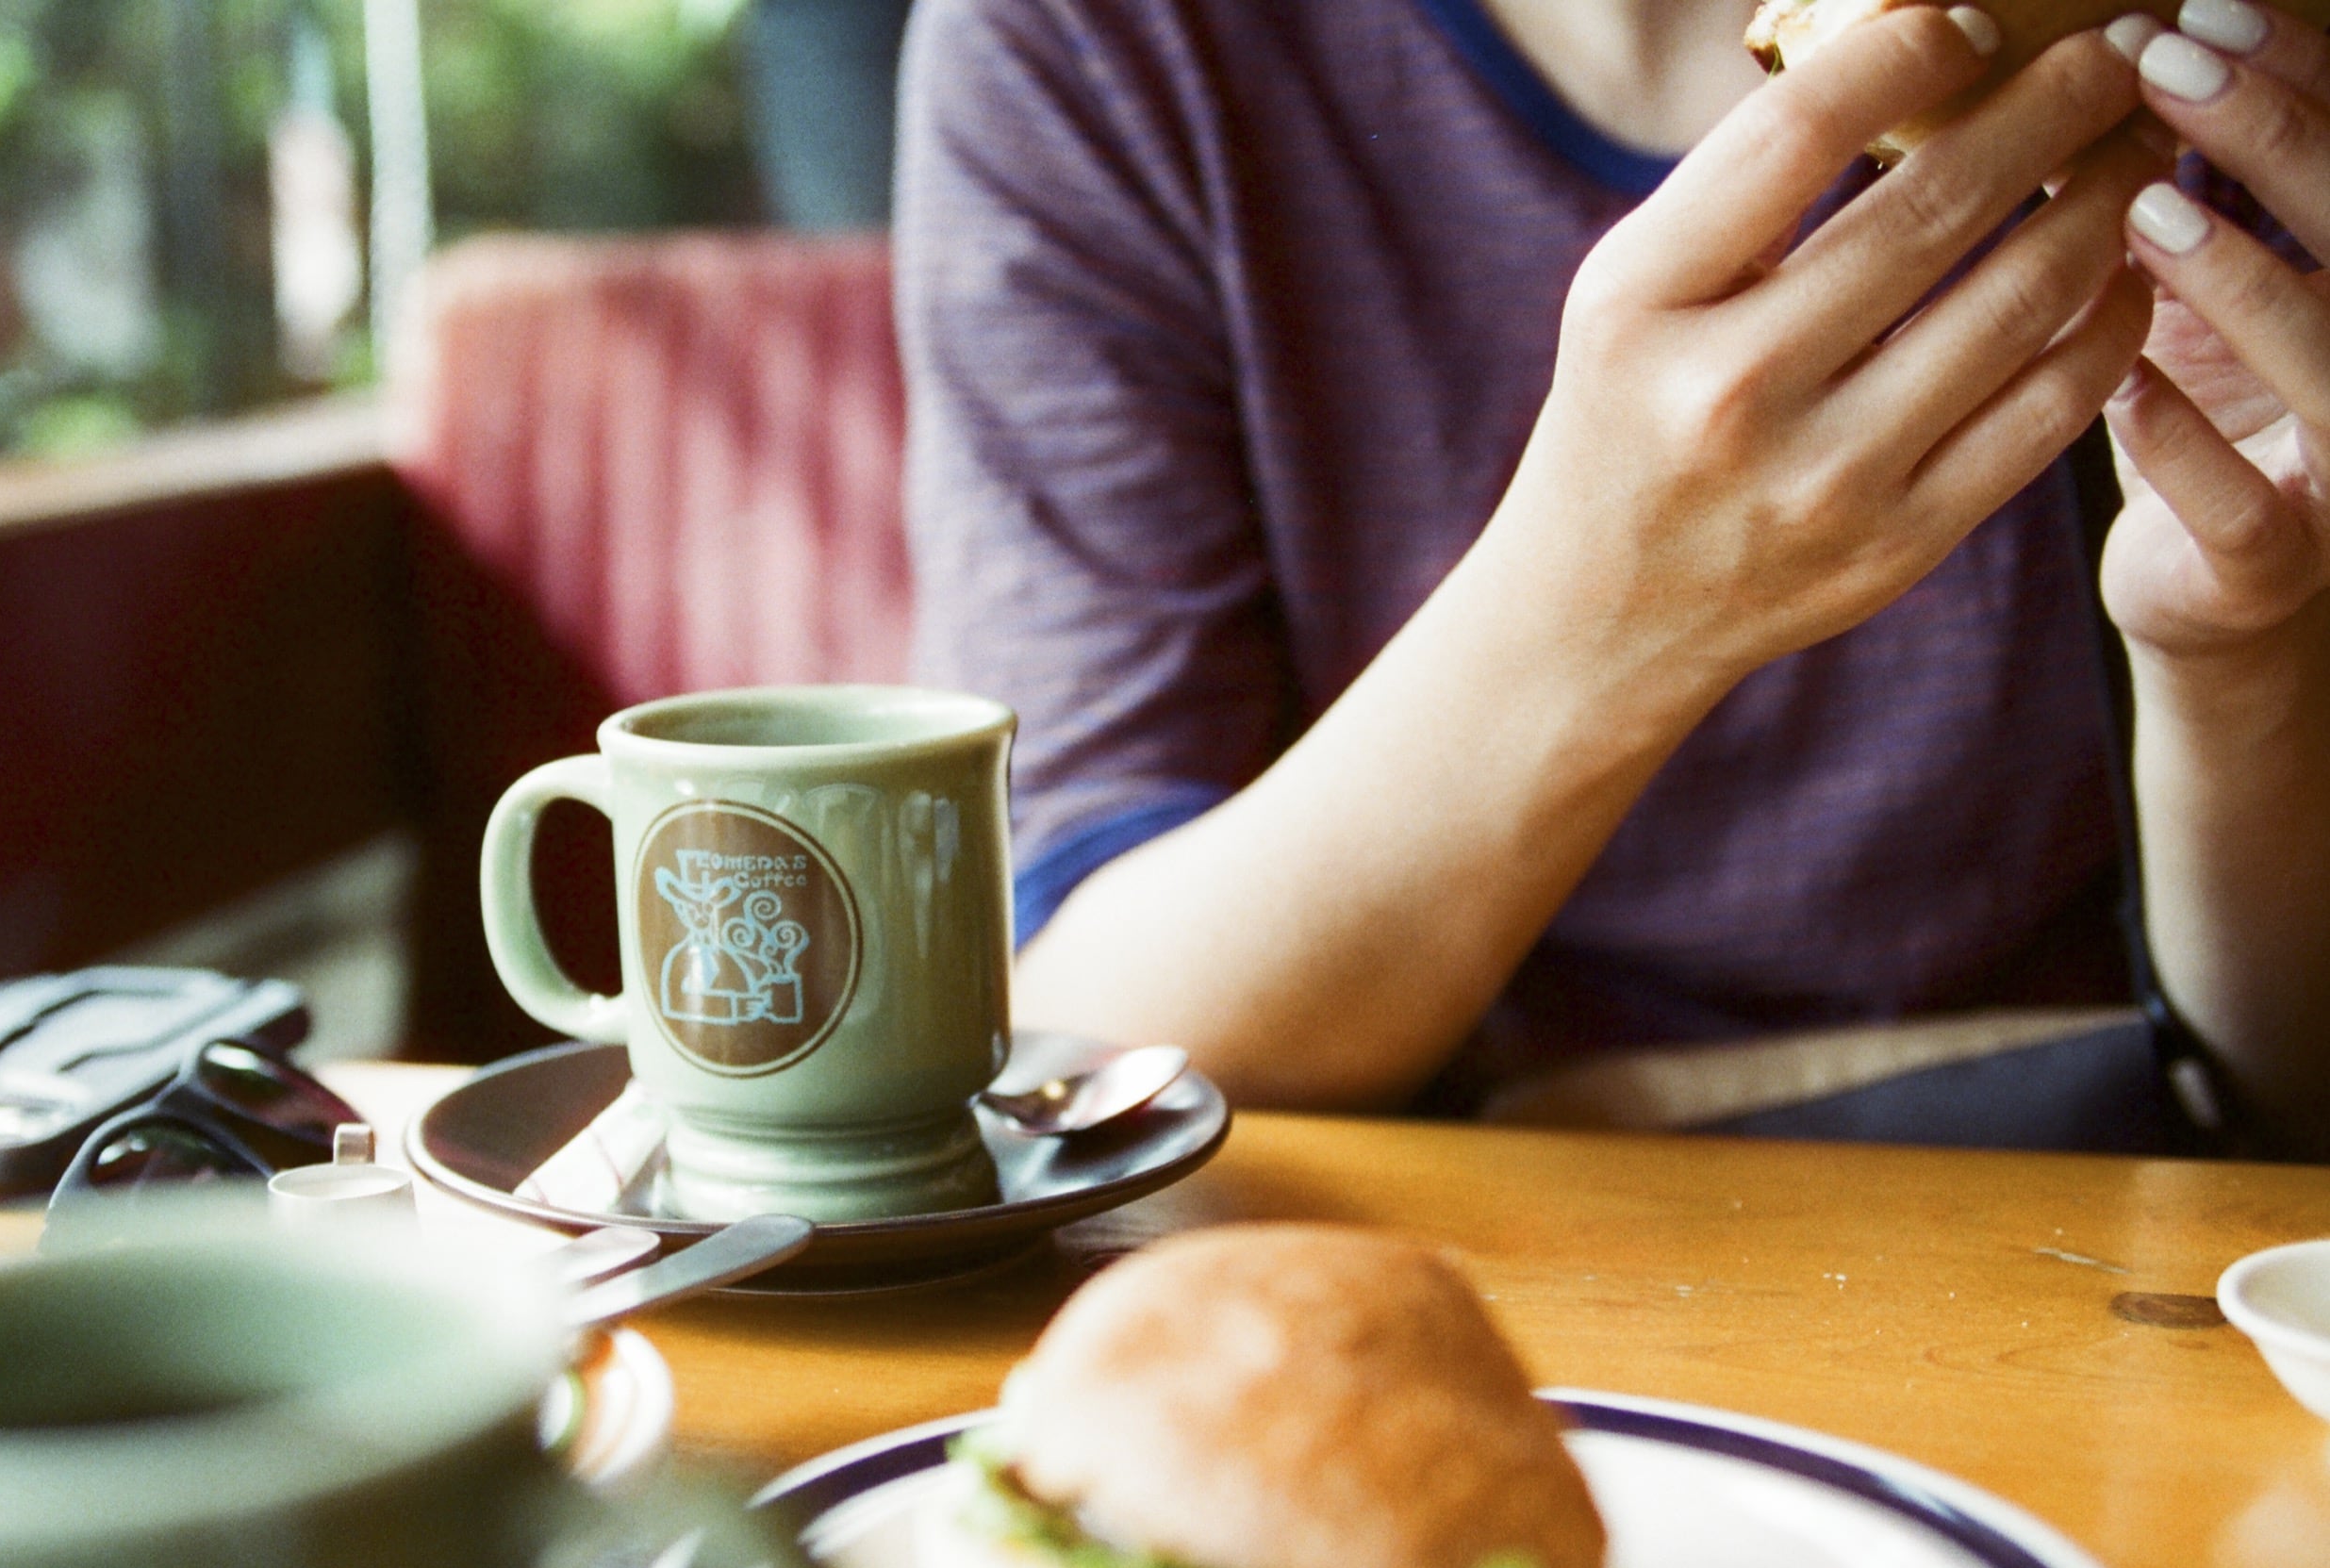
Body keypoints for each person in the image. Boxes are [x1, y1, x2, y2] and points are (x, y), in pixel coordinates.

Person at [897, 0, 2330, 1156]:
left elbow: (2288, 1094)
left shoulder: (2214, 59)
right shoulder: (1101, 46)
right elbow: (1077, 1036)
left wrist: (2237, 665)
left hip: (2109, 1240)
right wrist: (1599, 609)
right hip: (1457, 1261)